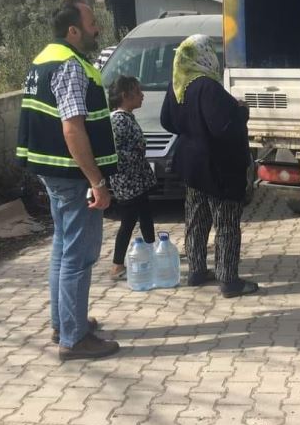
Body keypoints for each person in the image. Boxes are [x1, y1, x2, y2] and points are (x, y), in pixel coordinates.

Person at [16, 0, 120, 361]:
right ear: (73, 30)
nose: (96, 29)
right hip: (74, 176)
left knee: (62, 249)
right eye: (92, 23)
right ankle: (74, 340)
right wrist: (97, 180)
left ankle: (65, 323)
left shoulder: (43, 60)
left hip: (52, 171)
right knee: (79, 255)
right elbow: (73, 127)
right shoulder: (71, 66)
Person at [160, 34, 258, 298]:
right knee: (225, 222)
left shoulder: (177, 84)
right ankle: (229, 280)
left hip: (191, 165)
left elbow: (167, 121)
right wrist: (240, 111)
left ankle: (197, 270)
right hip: (218, 166)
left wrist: (191, 128)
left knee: (196, 218)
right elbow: (223, 127)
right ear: (205, 55)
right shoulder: (208, 87)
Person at [106, 75, 157, 280]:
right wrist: (136, 155)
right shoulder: (117, 120)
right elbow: (116, 153)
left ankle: (153, 249)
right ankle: (117, 265)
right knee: (128, 222)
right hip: (127, 183)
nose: (142, 95)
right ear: (125, 96)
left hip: (137, 181)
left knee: (145, 215)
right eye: (137, 92)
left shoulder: (127, 117)